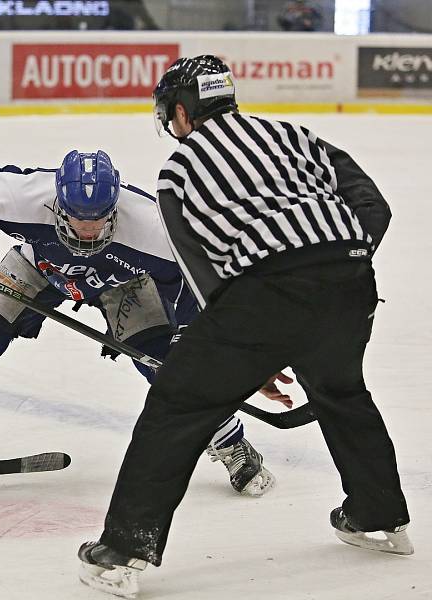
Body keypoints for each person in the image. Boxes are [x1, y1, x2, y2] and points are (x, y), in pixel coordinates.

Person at [77, 55, 411, 599]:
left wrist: (256, 345)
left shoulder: (177, 172)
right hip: (351, 280)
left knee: (178, 405)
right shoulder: (295, 135)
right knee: (342, 392)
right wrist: (339, 270)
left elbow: (205, 277)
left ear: (182, 112)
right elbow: (374, 206)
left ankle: (123, 550)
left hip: (266, 293)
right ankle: (380, 519)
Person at [0, 149, 276, 498]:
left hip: (124, 283)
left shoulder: (153, 229)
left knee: (171, 368)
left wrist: (193, 337)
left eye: (99, 221)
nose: (87, 231)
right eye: (76, 218)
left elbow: (196, 280)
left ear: (116, 208)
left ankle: (232, 444)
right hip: (42, 266)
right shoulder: (25, 197)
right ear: (57, 203)